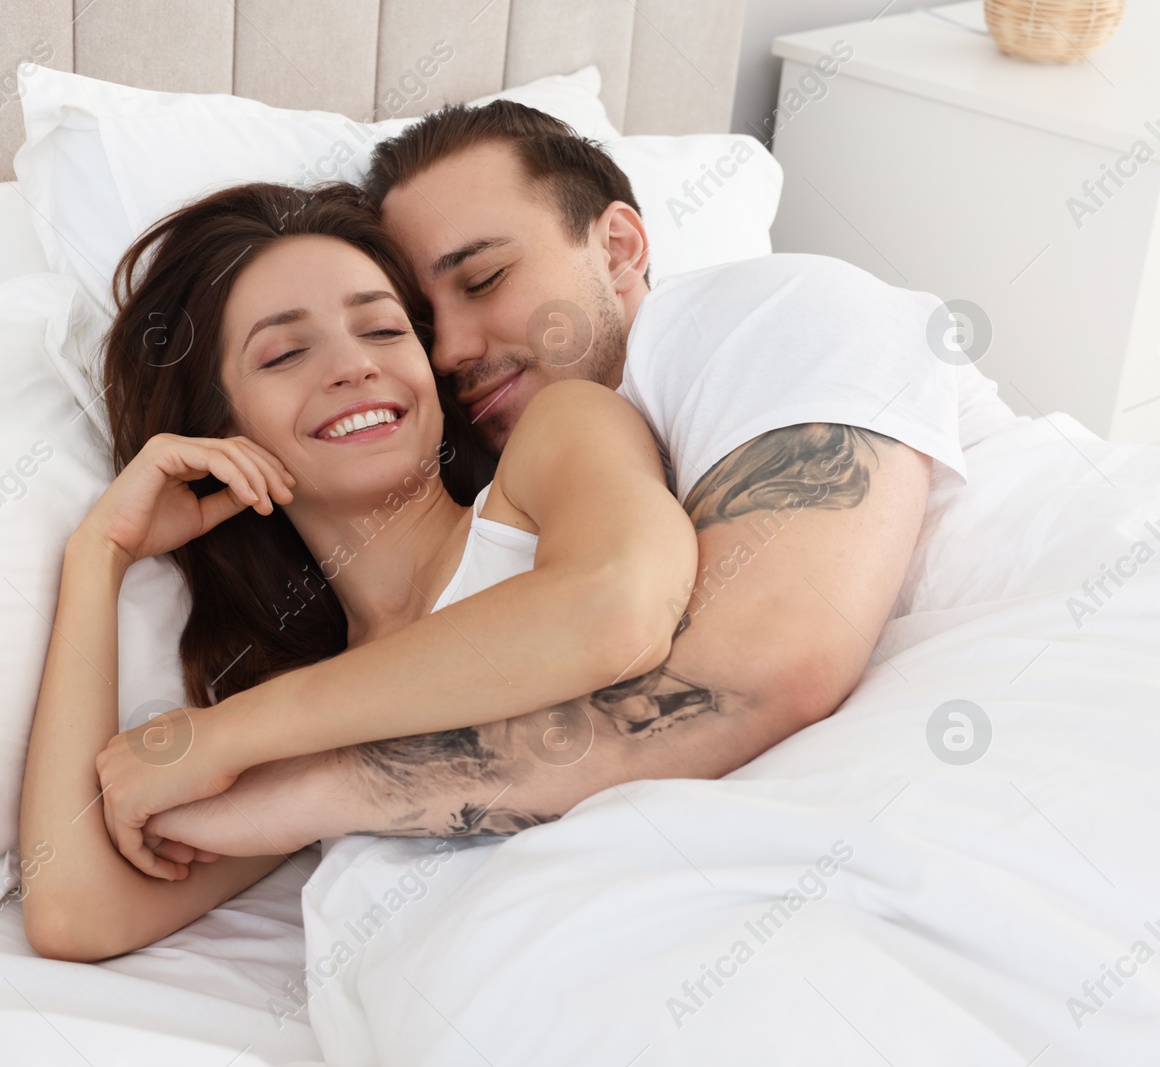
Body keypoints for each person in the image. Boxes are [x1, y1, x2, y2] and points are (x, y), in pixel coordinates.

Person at [100, 100, 1023, 865]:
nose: (449, 350)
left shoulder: (772, 310)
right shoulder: (411, 618)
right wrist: (95, 557)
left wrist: (273, 762)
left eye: (487, 277)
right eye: (419, 322)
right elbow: (78, 904)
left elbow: (762, 670)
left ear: (619, 247)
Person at [18, 181, 698, 961]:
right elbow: (76, 911)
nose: (353, 367)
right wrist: (97, 554)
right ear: (219, 430)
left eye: (382, 329)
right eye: (284, 352)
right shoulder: (298, 724)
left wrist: (226, 734)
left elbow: (620, 604)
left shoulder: (556, 439)